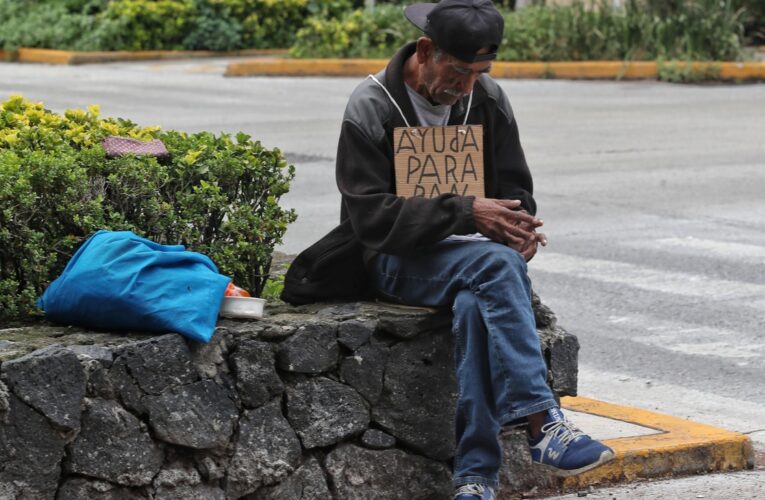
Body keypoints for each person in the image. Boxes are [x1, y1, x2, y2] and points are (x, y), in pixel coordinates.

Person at [285, 0, 615, 498]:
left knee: (476, 301)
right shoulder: (372, 105)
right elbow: (370, 219)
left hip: (476, 261)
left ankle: (475, 475)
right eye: (459, 71)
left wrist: (516, 225)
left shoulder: (488, 99)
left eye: (480, 73)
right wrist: (465, 212)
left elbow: (515, 188)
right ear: (425, 50)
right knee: (493, 268)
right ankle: (542, 421)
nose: (467, 86)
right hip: (396, 259)